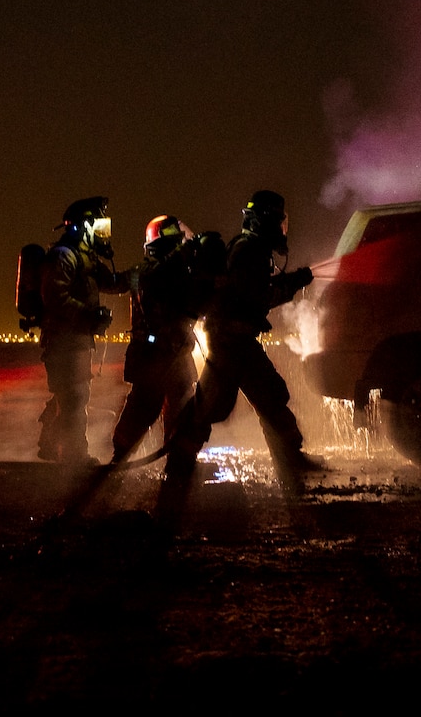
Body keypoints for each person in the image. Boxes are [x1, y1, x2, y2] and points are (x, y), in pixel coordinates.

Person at [160, 190, 319, 500]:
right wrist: (292, 284)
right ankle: (178, 470)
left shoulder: (252, 249)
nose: (281, 227)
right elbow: (258, 296)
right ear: (265, 220)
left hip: (239, 341)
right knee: (208, 409)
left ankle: (291, 462)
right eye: (277, 220)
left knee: (271, 396)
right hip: (230, 343)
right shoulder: (248, 252)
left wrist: (289, 282)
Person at [107, 215, 207, 465]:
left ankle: (180, 461)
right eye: (175, 243)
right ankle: (118, 462)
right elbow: (158, 275)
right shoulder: (147, 273)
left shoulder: (176, 273)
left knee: (182, 410)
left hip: (174, 356)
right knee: (142, 409)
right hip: (153, 356)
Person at [36, 197, 121, 464]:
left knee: (70, 395)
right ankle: (74, 459)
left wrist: (137, 275)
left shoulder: (87, 258)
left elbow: (112, 283)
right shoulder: (63, 255)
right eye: (98, 225)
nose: (103, 232)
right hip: (63, 342)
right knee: (74, 398)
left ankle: (50, 446)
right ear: (84, 226)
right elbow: (55, 296)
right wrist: (88, 315)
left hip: (77, 341)